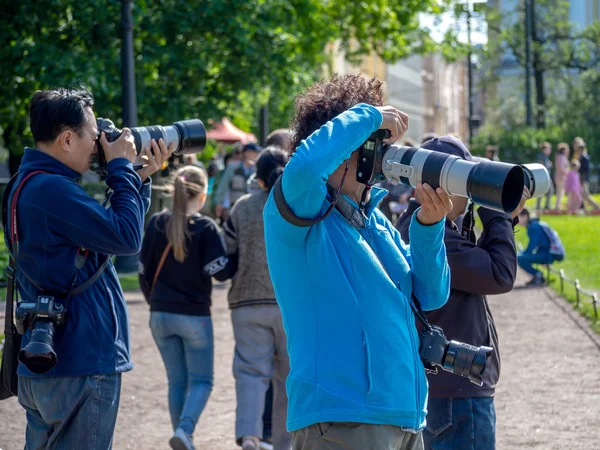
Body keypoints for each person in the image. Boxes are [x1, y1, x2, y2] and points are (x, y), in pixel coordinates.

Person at [263, 74, 452, 450]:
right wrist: (369, 116)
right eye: (370, 146)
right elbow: (304, 166)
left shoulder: (373, 220)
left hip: (403, 417)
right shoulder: (298, 210)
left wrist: (429, 227)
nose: (377, 157)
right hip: (341, 421)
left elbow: (430, 295)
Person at [5, 87, 172, 449]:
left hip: (47, 357)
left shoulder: (27, 184)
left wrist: (135, 177)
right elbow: (127, 239)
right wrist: (120, 168)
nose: (99, 145)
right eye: (94, 136)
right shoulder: (54, 190)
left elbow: (108, 237)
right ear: (67, 139)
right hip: (80, 361)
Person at [396, 136, 530, 450]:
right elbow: (499, 274)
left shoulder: (425, 225)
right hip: (456, 395)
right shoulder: (432, 232)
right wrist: (498, 211)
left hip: (450, 389)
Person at [139, 165, 230, 450]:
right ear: (203, 195)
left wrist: (155, 303)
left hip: (159, 315)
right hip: (194, 317)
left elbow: (142, 272)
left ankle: (182, 436)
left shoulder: (155, 224)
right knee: (202, 381)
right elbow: (221, 273)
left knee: (176, 381)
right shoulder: (205, 228)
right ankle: (186, 431)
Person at [221, 148, 292, 450]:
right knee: (289, 379)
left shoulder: (242, 207)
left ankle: (250, 436)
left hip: (247, 302)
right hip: (290, 305)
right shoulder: (297, 207)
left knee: (251, 372)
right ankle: (282, 443)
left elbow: (227, 251)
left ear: (258, 179)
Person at [214, 143, 262, 222]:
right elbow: (224, 186)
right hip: (233, 207)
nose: (257, 155)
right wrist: (219, 203)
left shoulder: (256, 169)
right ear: (247, 153)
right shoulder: (233, 167)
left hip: (251, 208)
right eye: (255, 152)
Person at [517, 208, 565, 286]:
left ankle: (537, 275)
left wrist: (521, 254)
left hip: (549, 254)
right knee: (520, 255)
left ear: (525, 216)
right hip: (551, 252)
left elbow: (532, 245)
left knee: (519, 258)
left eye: (518, 217)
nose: (516, 220)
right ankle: (537, 275)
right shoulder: (536, 224)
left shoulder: (532, 227)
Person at [573, 139, 600, 212]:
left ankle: (597, 207)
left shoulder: (585, 158)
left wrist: (582, 179)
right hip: (582, 179)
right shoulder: (581, 157)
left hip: (584, 179)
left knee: (586, 195)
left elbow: (586, 171)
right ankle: (584, 208)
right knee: (583, 195)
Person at [535, 142, 554, 212]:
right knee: (542, 191)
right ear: (544, 149)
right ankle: (541, 206)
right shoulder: (541, 156)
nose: (550, 151)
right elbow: (541, 166)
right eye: (549, 149)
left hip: (546, 176)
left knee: (548, 191)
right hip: (543, 177)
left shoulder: (545, 156)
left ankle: (544, 206)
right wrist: (548, 165)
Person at [554, 143, 570, 211]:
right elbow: (561, 168)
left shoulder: (559, 157)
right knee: (560, 192)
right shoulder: (562, 157)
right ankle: (557, 207)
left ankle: (558, 206)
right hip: (561, 177)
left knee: (560, 192)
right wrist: (567, 172)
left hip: (559, 177)